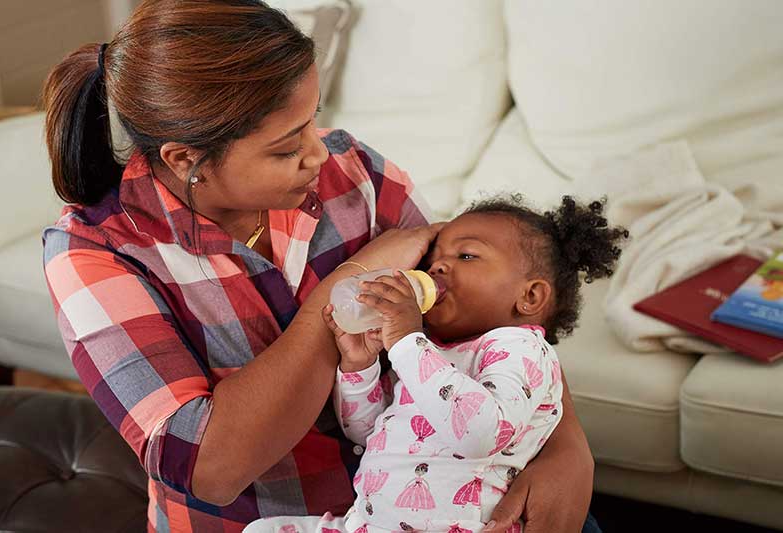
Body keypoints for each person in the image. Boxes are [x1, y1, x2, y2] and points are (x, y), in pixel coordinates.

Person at [40, 1, 601, 531]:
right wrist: (340, 290)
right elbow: (210, 469)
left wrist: (566, 446)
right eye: (286, 147)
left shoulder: (355, 172)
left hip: (442, 505)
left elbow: (490, 308)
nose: (320, 153)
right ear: (187, 160)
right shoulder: (95, 255)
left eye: (313, 120)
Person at [245, 196, 626, 533]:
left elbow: (480, 435)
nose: (437, 268)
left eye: (466, 256)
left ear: (529, 296)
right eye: (434, 259)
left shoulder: (522, 349)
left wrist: (408, 343)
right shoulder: (431, 350)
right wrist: (360, 368)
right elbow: (368, 432)